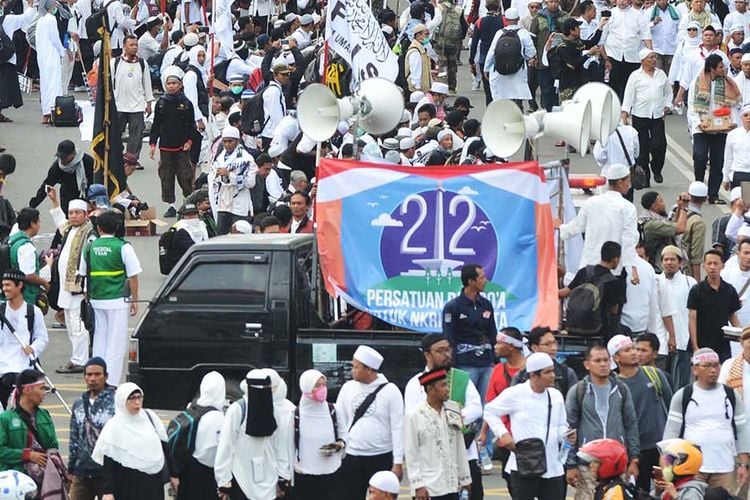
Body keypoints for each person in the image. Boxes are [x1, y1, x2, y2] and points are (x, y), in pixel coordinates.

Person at [403, 334, 483, 500]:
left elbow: (476, 408)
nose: (447, 354)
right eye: (441, 351)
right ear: (427, 355)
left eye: (448, 350)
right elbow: (414, 426)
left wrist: (453, 418)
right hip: (430, 460)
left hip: (464, 455)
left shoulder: (460, 378)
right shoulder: (416, 383)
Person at [483, 352, 569, 499]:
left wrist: (567, 435)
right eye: (547, 372)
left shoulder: (556, 396)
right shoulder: (516, 393)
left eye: (552, 370)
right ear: (533, 375)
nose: (553, 375)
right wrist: (503, 433)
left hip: (553, 467)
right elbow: (490, 411)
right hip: (523, 466)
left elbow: (561, 426)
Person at [663, 348, 750, 491]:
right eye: (707, 366)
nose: (713, 370)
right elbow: (671, 432)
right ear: (695, 369)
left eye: (716, 365)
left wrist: (743, 464)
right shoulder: (683, 395)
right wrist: (667, 464)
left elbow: (741, 430)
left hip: (725, 467)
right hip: (691, 468)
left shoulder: (731, 395)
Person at [565, 344, 640, 500]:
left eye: (606, 360)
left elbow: (631, 425)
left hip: (617, 463)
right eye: (597, 360)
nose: (603, 364)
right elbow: (569, 429)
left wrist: (634, 459)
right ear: (587, 364)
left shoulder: (621, 389)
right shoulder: (578, 391)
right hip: (588, 465)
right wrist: (571, 464)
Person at [79, 210, 142, 384]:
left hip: (97, 300)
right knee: (116, 343)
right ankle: (111, 382)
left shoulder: (90, 247)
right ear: (117, 227)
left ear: (98, 228)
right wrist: (135, 300)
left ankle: (96, 378)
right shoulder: (123, 247)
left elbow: (84, 275)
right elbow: (133, 276)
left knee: (100, 340)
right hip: (117, 301)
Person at [336, 346, 404, 499]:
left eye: (356, 367)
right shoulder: (347, 388)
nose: (352, 370)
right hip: (352, 456)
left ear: (369, 369)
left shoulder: (391, 391)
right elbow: (341, 422)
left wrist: (398, 462)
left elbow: (398, 428)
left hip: (381, 457)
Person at [608, 334, 673, 494]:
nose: (634, 353)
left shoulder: (654, 374)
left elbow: (671, 408)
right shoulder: (615, 387)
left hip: (661, 448)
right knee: (639, 492)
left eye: (635, 348)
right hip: (636, 451)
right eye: (628, 350)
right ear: (616, 357)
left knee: (667, 491)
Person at [92, 382, 178, 499]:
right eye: (131, 399)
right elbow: (108, 462)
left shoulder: (150, 417)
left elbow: (164, 445)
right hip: (127, 483)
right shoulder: (114, 426)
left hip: (153, 482)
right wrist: (108, 491)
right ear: (122, 400)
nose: (137, 402)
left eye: (139, 397)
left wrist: (173, 474)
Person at [558, 163, 640, 283]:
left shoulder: (591, 202)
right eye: (628, 180)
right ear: (620, 182)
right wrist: (632, 267)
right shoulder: (628, 208)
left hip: (589, 266)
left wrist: (559, 228)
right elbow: (628, 240)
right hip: (613, 271)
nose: (630, 184)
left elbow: (576, 226)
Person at [214, 369, 286, 500]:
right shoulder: (237, 409)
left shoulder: (274, 411)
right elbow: (226, 445)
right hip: (242, 475)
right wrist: (223, 479)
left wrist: (283, 475)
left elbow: (280, 445)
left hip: (269, 476)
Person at [404, 368, 472, 500]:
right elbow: (412, 453)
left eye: (446, 384)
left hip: (452, 484)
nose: (447, 389)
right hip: (429, 487)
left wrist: (465, 478)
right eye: (443, 385)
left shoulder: (453, 409)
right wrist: (418, 485)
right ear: (430, 390)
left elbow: (460, 446)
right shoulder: (414, 416)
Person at [47, 191, 96, 374]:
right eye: (71, 213)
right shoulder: (69, 229)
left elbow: (88, 261)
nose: (73, 216)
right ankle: (77, 357)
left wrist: (85, 285)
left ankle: (80, 360)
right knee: (70, 323)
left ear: (85, 214)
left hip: (78, 287)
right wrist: (55, 202)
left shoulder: (89, 234)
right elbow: (60, 222)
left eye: (77, 212)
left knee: (77, 325)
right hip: (67, 287)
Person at [687, 53, 741, 204]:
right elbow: (691, 105)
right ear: (712, 69)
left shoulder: (727, 83)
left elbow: (733, 106)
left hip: (721, 129)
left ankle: (713, 194)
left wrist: (733, 122)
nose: (723, 69)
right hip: (702, 127)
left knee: (718, 162)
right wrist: (698, 122)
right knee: (700, 156)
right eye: (720, 67)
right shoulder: (696, 83)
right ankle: (698, 187)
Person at [442, 263, 497, 400]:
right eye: (481, 278)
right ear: (471, 281)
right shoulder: (453, 307)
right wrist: (451, 364)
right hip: (465, 364)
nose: (485, 281)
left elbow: (492, 332)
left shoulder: (486, 305)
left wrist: (495, 360)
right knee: (465, 402)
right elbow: (449, 337)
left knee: (487, 403)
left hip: (487, 363)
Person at [149, 65, 197, 219]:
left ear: (180, 85)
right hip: (166, 147)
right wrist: (152, 144)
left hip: (182, 147)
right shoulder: (161, 103)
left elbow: (191, 125)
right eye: (168, 83)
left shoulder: (187, 104)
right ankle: (170, 206)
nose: (171, 86)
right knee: (166, 176)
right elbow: (156, 125)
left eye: (174, 83)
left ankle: (188, 203)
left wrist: (189, 141)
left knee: (186, 176)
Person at [0, 369, 59, 491]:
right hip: (15, 483)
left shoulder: (44, 415)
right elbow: (1, 450)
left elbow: (53, 445)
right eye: (41, 388)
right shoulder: (5, 419)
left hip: (44, 482)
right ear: (27, 390)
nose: (45, 393)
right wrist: (27, 455)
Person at [68, 357, 116, 500]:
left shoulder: (116, 401)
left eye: (97, 374)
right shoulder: (79, 404)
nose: (92, 378)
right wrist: (71, 468)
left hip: (108, 473)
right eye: (89, 375)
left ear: (106, 376)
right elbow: (74, 438)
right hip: (82, 472)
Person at [621, 48, 672, 185]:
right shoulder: (635, 76)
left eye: (655, 57)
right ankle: (645, 177)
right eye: (651, 58)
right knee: (642, 148)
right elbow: (628, 95)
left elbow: (668, 93)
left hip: (657, 116)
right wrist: (625, 113)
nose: (654, 60)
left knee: (659, 145)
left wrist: (667, 106)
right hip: (640, 115)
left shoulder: (661, 75)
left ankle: (656, 169)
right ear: (643, 61)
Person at [0, 269, 48, 409]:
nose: (4, 289)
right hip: (2, 367)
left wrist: (33, 348)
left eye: (8, 285)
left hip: (23, 365)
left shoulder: (33, 311)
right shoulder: (1, 311)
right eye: (3, 285)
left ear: (19, 285)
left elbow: (42, 338)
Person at [560, 241, 628, 339]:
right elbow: (614, 311)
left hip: (572, 326)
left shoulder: (584, 271)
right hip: (596, 330)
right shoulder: (613, 281)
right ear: (615, 259)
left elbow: (565, 292)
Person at [294, 369, 345, 499]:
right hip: (304, 474)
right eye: (317, 385)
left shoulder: (333, 410)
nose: (322, 389)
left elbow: (344, 436)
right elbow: (289, 445)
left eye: (324, 385)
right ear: (306, 387)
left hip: (331, 473)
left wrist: (338, 445)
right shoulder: (295, 414)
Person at [176, 371, 226, 500]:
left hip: (188, 468)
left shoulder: (192, 408)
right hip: (206, 473)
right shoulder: (218, 417)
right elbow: (218, 451)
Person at [688, 249, 741, 362]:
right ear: (704, 266)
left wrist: (742, 335)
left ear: (722, 265)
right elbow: (692, 318)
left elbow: (732, 316)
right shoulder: (697, 290)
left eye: (716, 263)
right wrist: (695, 346)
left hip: (722, 344)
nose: (712, 267)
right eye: (709, 263)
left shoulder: (729, 290)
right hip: (702, 343)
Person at [208, 125, 257, 235]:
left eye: (230, 141)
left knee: (240, 234)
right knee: (221, 235)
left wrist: (230, 175)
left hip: (239, 202)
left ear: (237, 141)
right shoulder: (220, 157)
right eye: (225, 141)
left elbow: (251, 182)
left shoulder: (246, 159)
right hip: (223, 202)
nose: (227, 144)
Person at [600, 0, 654, 101]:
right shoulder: (610, 14)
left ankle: (627, 112)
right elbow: (602, 38)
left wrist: (651, 53)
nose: (622, 2)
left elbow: (646, 34)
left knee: (630, 87)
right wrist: (605, 58)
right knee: (613, 86)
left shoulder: (638, 15)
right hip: (613, 55)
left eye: (624, 0)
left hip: (632, 56)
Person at [112, 34, 154, 160]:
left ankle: (132, 159)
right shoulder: (115, 62)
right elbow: (109, 83)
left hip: (137, 106)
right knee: (116, 134)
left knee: (136, 135)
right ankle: (116, 158)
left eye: (136, 45)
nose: (134, 47)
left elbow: (147, 83)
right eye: (131, 45)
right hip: (119, 105)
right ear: (124, 46)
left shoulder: (142, 63)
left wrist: (149, 102)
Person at [483, 7, 536, 105]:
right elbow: (530, 53)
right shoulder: (523, 33)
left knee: (502, 100)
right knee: (517, 99)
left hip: (500, 72)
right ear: (518, 19)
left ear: (505, 19)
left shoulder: (499, 33)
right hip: (518, 71)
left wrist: (486, 69)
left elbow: (491, 52)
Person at [28, 140, 95, 214]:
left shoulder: (87, 161)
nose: (62, 160)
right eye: (60, 157)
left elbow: (95, 183)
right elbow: (47, 185)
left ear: (73, 154)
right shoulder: (57, 167)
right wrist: (33, 205)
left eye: (64, 157)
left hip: (85, 196)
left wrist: (91, 202)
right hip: (67, 198)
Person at [510, 326, 578, 395]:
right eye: (547, 344)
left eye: (555, 343)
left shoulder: (567, 374)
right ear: (535, 348)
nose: (554, 348)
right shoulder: (521, 376)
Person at [0, 0, 35, 123]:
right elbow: (25, 19)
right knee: (5, 88)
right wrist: (30, 6)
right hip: (6, 58)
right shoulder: (7, 20)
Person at [9, 208, 49, 306]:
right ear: (32, 224)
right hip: (26, 296)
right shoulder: (26, 247)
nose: (39, 225)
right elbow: (28, 275)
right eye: (38, 222)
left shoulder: (13, 240)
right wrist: (44, 283)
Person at [639, 191, 688, 271]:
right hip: (659, 267)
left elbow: (672, 225)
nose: (664, 204)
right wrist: (684, 207)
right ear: (653, 206)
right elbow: (680, 228)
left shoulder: (655, 218)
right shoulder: (652, 224)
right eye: (661, 201)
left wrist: (679, 207)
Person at [468, 0, 505, 105]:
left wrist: (471, 60)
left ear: (486, 6)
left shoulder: (480, 21)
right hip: (500, 56)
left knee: (488, 90)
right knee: (500, 88)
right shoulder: (503, 21)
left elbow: (474, 43)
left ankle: (490, 109)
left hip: (484, 57)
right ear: (498, 6)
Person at [36, 0, 66, 124]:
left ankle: (46, 112)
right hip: (51, 54)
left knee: (45, 84)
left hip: (42, 56)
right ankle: (55, 112)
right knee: (54, 83)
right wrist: (62, 51)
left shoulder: (40, 20)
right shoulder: (51, 19)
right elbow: (55, 38)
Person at [260, 63, 290, 151]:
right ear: (275, 75)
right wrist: (283, 132)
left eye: (288, 74)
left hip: (272, 132)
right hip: (272, 134)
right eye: (283, 74)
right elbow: (276, 114)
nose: (286, 77)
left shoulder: (277, 89)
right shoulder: (274, 91)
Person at [720, 239, 750, 327]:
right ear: (738, 253)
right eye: (746, 253)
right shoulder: (725, 275)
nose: (748, 257)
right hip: (730, 327)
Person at [682, 181, 709, 278]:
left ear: (689, 195)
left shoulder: (677, 209)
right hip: (684, 268)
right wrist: (697, 280)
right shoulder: (698, 222)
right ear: (705, 199)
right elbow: (696, 255)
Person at [722, 104, 750, 189]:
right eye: (746, 115)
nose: (748, 118)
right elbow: (728, 157)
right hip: (739, 173)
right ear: (741, 118)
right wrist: (726, 178)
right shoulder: (733, 134)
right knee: (740, 201)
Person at [649, 0, 681, 74]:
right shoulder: (649, 12)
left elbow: (679, 30)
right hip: (656, 49)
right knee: (657, 75)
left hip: (672, 49)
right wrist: (653, 23)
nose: (662, 2)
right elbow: (644, 30)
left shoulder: (676, 11)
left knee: (670, 75)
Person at [405, 24, 433, 93]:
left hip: (424, 89)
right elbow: (415, 72)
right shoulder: (415, 51)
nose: (427, 37)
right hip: (418, 90)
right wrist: (417, 89)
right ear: (418, 36)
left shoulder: (422, 49)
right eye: (426, 34)